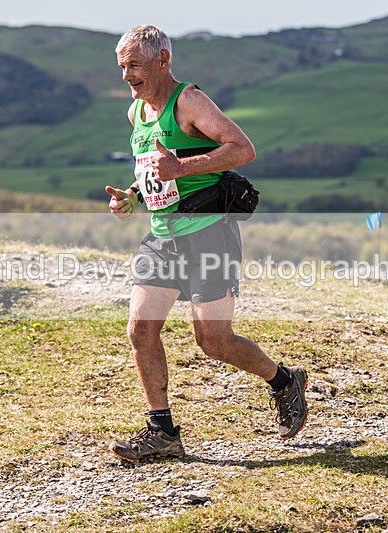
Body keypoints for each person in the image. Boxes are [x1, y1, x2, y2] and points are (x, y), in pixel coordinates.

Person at [105, 24, 308, 463]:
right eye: (122, 66)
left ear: (163, 61)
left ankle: (284, 381)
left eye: (134, 65)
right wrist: (134, 196)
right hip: (162, 237)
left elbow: (243, 149)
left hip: (209, 234)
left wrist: (182, 168)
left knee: (213, 342)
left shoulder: (189, 102)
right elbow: (156, 170)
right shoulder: (136, 112)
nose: (126, 76)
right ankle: (162, 431)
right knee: (140, 328)